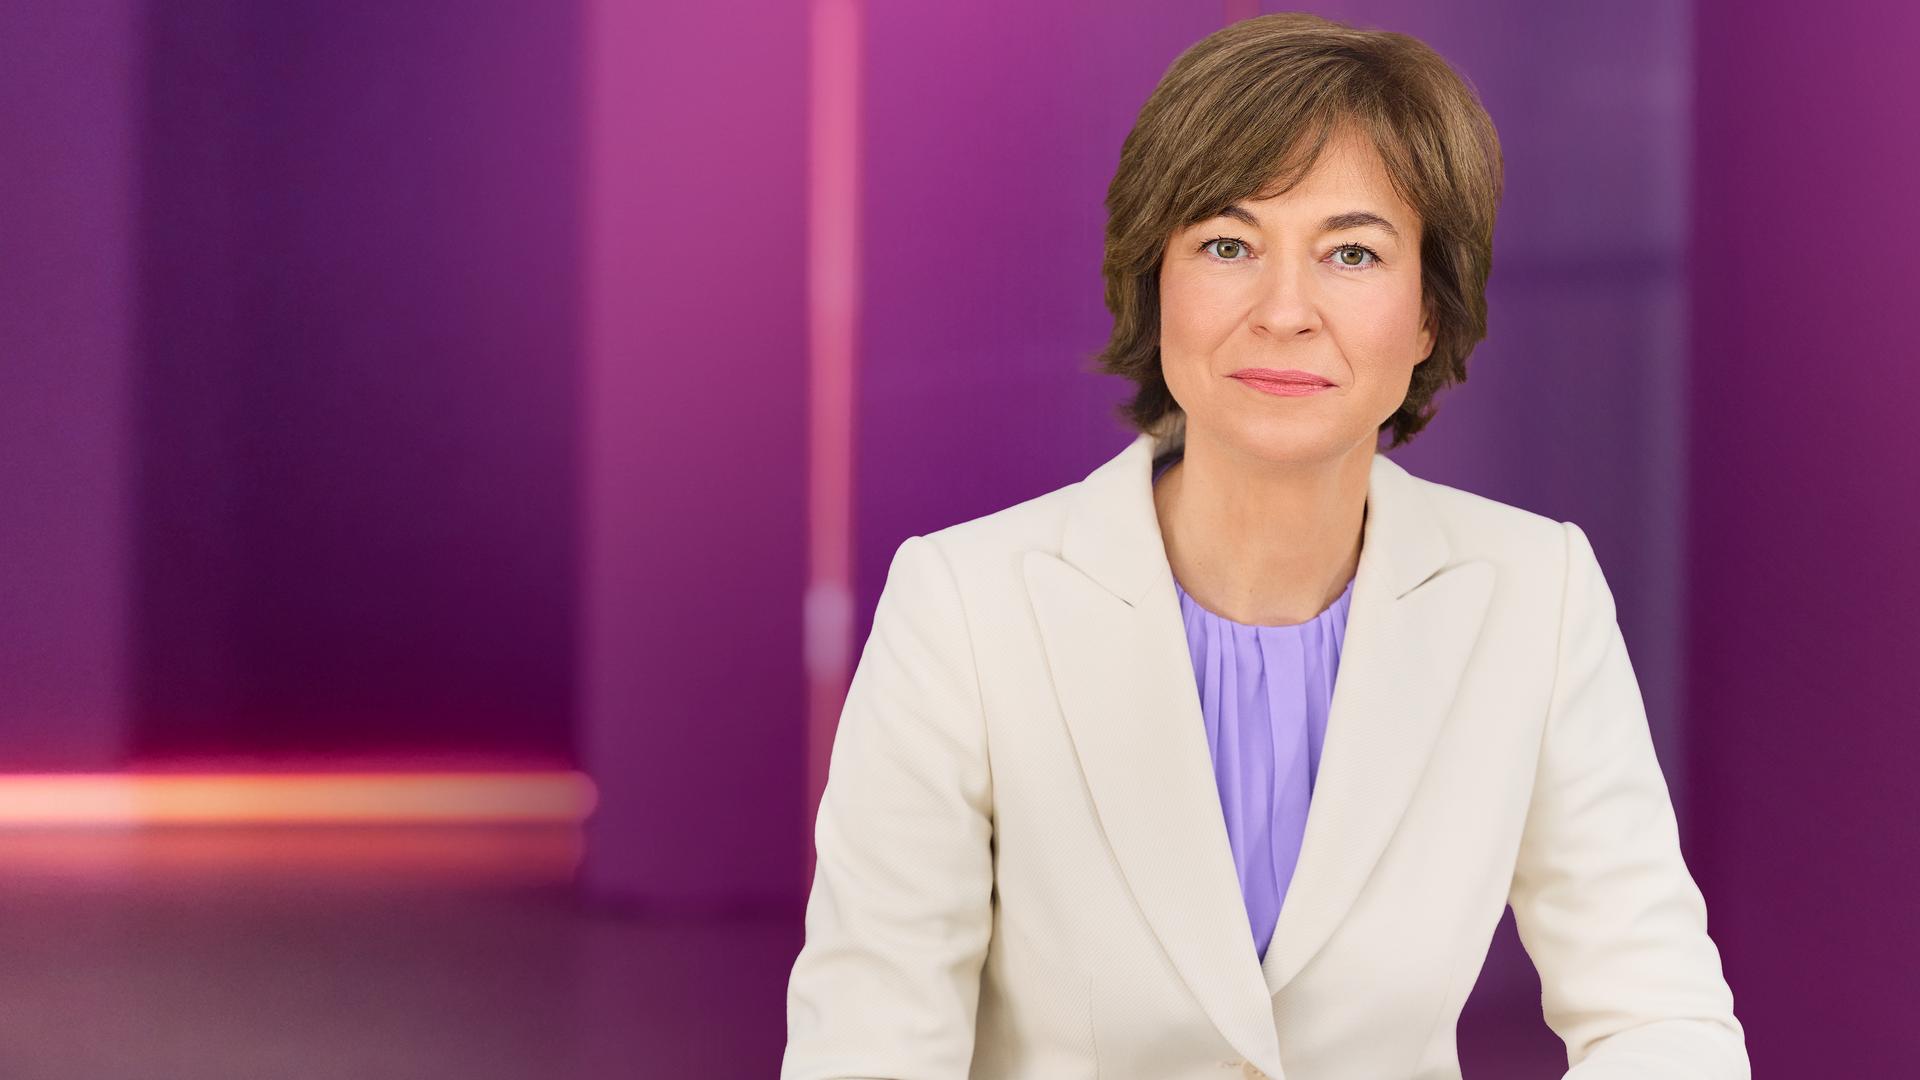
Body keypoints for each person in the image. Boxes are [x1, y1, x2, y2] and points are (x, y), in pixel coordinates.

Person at [782, 12, 1747, 1080]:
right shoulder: (963, 606)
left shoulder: (1536, 595)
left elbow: (1661, 1018)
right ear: (1155, 280)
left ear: (1429, 313)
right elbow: (869, 1046)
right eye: (1228, 245)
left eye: (1352, 253)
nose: (1285, 310)